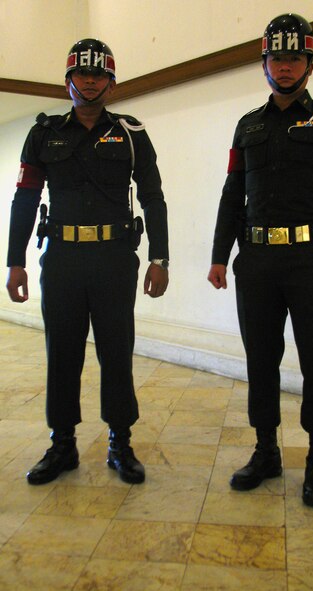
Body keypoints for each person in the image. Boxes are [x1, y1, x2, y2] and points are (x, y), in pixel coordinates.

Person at [208, 14, 313, 507]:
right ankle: (266, 451)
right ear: (264, 64)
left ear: (310, 64)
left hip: (309, 258)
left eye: (294, 57)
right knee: (261, 360)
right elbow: (233, 192)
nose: (284, 66)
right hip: (254, 260)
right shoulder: (247, 125)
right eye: (276, 57)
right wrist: (219, 254)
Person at [6, 38, 169, 486]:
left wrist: (160, 257)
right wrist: (14, 261)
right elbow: (25, 198)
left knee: (116, 351)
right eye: (82, 72)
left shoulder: (132, 134)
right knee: (62, 352)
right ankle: (62, 445)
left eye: (99, 74)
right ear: (68, 81)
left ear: (112, 84)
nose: (90, 79)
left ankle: (120, 443)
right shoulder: (43, 134)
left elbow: (154, 198)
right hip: (61, 259)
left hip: (115, 259)